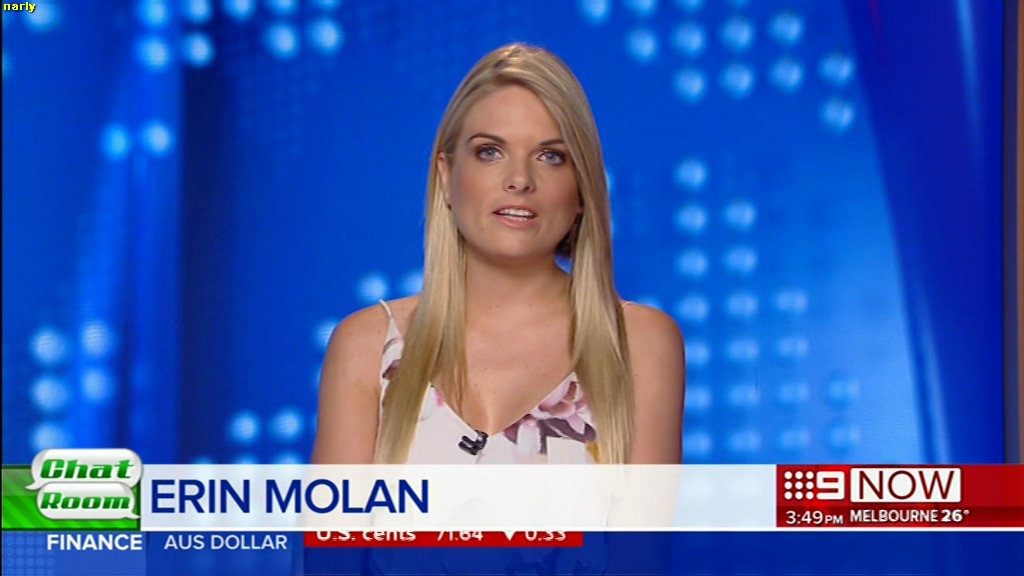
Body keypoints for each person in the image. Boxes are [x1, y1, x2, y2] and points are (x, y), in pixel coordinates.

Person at [312, 43, 685, 465]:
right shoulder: (365, 346)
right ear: (446, 175)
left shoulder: (639, 345)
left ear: (582, 187)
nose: (520, 179)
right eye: (490, 152)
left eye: (551, 156)